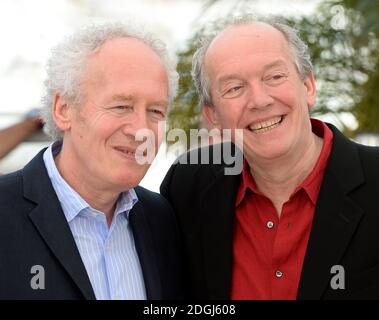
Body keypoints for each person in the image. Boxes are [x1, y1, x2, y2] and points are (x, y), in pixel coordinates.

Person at [161, 16, 379, 300]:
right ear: (212, 116)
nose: (260, 100)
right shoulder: (188, 186)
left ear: (308, 86)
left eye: (275, 77)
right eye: (234, 88)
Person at [0, 22, 185, 300]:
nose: (140, 129)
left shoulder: (162, 219)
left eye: (156, 111)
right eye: (121, 106)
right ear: (64, 109)